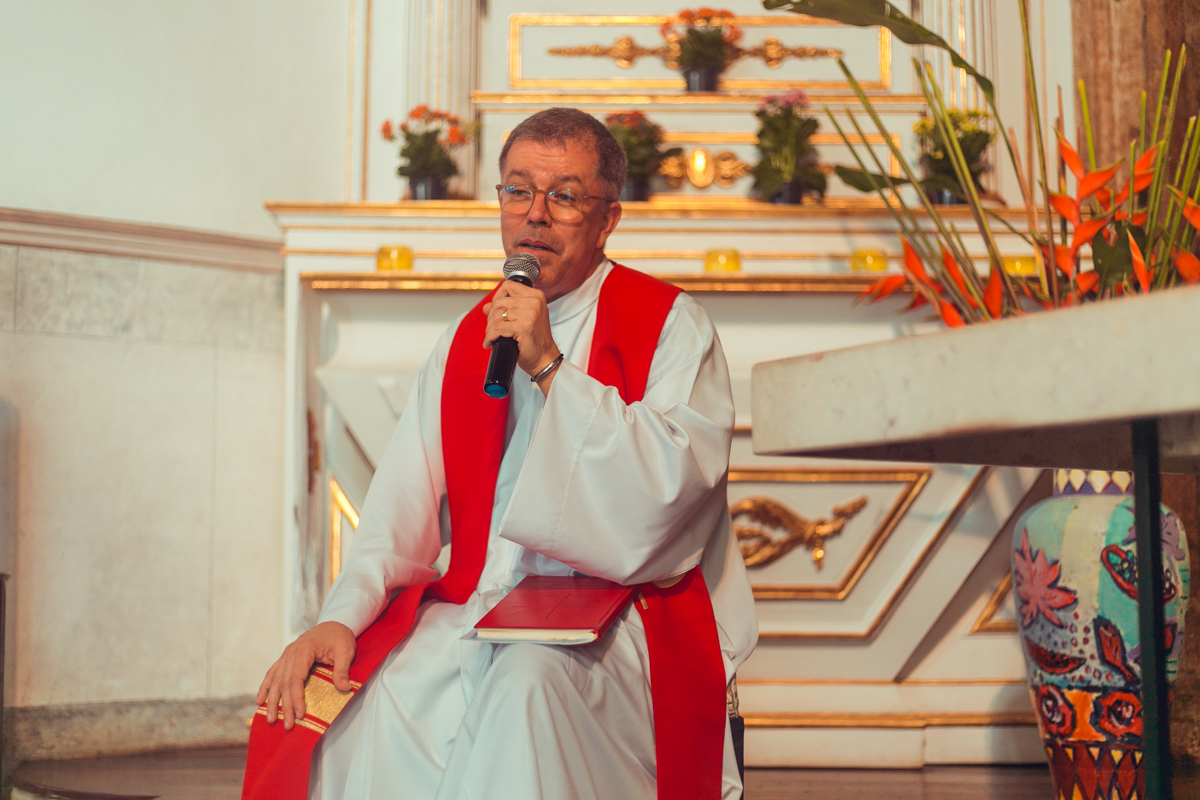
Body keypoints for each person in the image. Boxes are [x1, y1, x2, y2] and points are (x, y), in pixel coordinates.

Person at [245, 107, 758, 800]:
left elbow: (667, 492)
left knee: (525, 684)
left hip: (626, 620)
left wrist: (550, 367)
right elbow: (398, 508)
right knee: (362, 705)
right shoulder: (469, 341)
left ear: (609, 219)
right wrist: (339, 617)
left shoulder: (670, 325)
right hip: (486, 604)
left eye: (564, 196)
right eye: (518, 191)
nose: (535, 215)